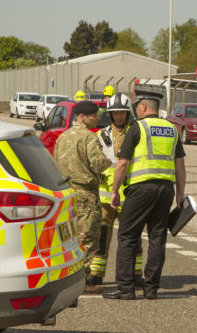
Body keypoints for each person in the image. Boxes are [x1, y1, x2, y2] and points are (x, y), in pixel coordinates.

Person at [103, 90, 186, 300]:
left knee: (127, 236)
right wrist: (180, 194)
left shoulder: (137, 127)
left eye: (136, 107)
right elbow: (180, 165)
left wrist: (115, 191)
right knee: (158, 238)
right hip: (166, 189)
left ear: (143, 107)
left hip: (140, 189)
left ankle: (126, 289)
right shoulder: (172, 129)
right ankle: (151, 289)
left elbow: (122, 163)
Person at [53, 100, 112, 294]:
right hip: (86, 193)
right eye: (94, 115)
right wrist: (109, 161)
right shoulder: (89, 137)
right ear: (82, 117)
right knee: (87, 238)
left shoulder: (62, 137)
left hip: (67, 192)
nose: (97, 118)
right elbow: (98, 163)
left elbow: (55, 162)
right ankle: (82, 281)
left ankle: (65, 277)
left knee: (68, 237)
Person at [88, 93, 145, 287]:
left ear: (128, 113)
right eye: (115, 113)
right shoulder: (102, 134)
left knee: (132, 237)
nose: (119, 117)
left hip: (130, 194)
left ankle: (136, 273)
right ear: (110, 114)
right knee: (103, 235)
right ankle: (96, 273)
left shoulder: (136, 131)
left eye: (122, 113)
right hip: (106, 196)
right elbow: (94, 160)